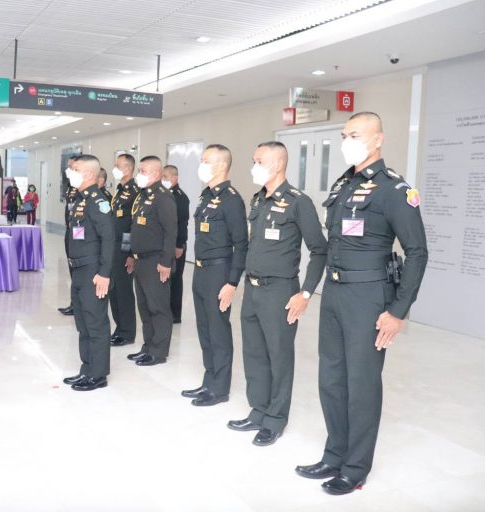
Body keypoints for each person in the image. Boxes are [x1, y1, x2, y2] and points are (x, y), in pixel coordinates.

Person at [296, 112, 428, 495]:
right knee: (331, 380)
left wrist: (398, 311)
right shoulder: (343, 185)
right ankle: (334, 455)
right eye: (344, 135)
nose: (346, 142)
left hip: (369, 298)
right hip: (335, 293)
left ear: (378, 139)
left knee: (362, 384)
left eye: (354, 135)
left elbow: (417, 252)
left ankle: (355, 468)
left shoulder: (394, 189)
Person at [227, 141, 327, 446]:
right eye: (254, 160)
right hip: (253, 289)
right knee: (254, 354)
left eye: (259, 161)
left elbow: (320, 250)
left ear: (278, 164)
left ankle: (275, 419)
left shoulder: (298, 202)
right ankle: (258, 410)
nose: (253, 166)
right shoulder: (258, 200)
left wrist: (305, 293)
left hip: (280, 292)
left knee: (279, 356)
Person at [181, 144, 247, 406]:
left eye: (206, 161)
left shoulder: (231, 199)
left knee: (218, 331)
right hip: (200, 270)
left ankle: (219, 389)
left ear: (222, 165)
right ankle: (208, 382)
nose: (201, 165)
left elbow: (241, 244)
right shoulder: (206, 196)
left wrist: (232, 282)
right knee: (204, 329)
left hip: (219, 272)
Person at [61, 154, 115, 391]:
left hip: (93, 270)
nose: (70, 173)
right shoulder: (81, 198)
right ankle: (87, 369)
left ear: (89, 174)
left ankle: (98, 375)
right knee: (83, 323)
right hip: (79, 269)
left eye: (75, 169)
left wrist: (104, 273)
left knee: (96, 323)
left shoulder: (97, 200)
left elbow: (109, 238)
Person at [126, 156, 177, 366]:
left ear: (156, 173)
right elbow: (137, 229)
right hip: (141, 261)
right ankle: (148, 347)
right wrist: (131, 254)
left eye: (143, 171)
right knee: (145, 307)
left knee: (158, 308)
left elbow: (171, 232)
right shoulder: (143, 196)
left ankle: (159, 351)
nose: (139, 174)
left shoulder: (163, 197)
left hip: (156, 261)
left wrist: (165, 262)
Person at [108, 154, 140, 347]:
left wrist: (130, 254)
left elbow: (133, 226)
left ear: (128, 168)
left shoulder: (135, 192)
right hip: (114, 247)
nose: (115, 169)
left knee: (124, 292)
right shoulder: (119, 190)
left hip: (124, 249)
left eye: (118, 166)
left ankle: (127, 333)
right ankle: (119, 328)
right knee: (114, 291)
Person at [162, 164, 189, 324]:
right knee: (167, 279)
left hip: (176, 245)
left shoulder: (180, 197)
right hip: (165, 245)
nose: (163, 180)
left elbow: (182, 223)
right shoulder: (164, 195)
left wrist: (179, 245)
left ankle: (175, 314)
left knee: (176, 279)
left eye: (165, 177)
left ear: (175, 178)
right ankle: (166, 310)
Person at [59, 157, 79, 316]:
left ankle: (77, 304)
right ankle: (74, 303)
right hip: (70, 231)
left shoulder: (82, 188)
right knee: (72, 268)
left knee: (78, 269)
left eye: (71, 167)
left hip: (78, 232)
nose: (68, 170)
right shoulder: (71, 186)